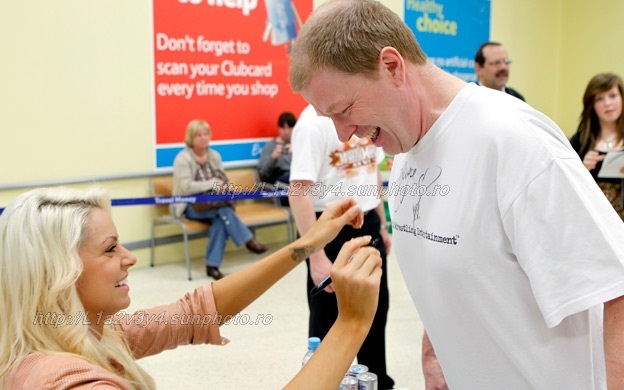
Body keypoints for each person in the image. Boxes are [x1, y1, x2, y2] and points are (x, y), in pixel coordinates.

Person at [288, 0, 624, 388]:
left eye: (343, 108)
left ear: (392, 66)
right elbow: (451, 272)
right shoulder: (404, 151)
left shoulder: (512, 141)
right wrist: (437, 358)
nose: (343, 133)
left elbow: (614, 288)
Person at [0, 185, 383, 389]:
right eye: (110, 249)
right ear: (58, 274)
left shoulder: (84, 335)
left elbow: (197, 312)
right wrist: (350, 325)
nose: (130, 258)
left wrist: (308, 244)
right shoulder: (72, 381)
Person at [288, 104, 394, 389]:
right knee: (328, 323)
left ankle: (375, 382)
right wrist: (316, 256)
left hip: (368, 223)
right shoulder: (313, 124)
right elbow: (298, 194)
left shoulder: (368, 112)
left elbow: (372, 171)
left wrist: (382, 223)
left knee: (375, 312)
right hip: (330, 231)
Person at [173, 119, 268, 280]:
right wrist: (211, 183)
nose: (203, 138)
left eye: (205, 134)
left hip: (214, 204)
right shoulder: (183, 158)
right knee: (223, 212)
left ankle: (212, 266)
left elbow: (222, 177)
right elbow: (186, 186)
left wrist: (223, 186)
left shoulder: (214, 155)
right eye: (198, 135)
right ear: (191, 138)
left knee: (220, 219)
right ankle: (249, 240)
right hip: (190, 205)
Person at [569, 72, 624, 220]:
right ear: (591, 105)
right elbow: (564, 186)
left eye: (612, 96)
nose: (607, 103)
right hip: (590, 221)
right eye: (600, 98)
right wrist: (581, 169)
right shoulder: (580, 141)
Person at [257, 111, 296, 206]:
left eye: (290, 128)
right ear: (279, 128)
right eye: (283, 128)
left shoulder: (299, 144)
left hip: (297, 177)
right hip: (281, 180)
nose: (287, 132)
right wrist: (273, 158)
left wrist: (297, 155)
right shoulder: (270, 146)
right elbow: (263, 172)